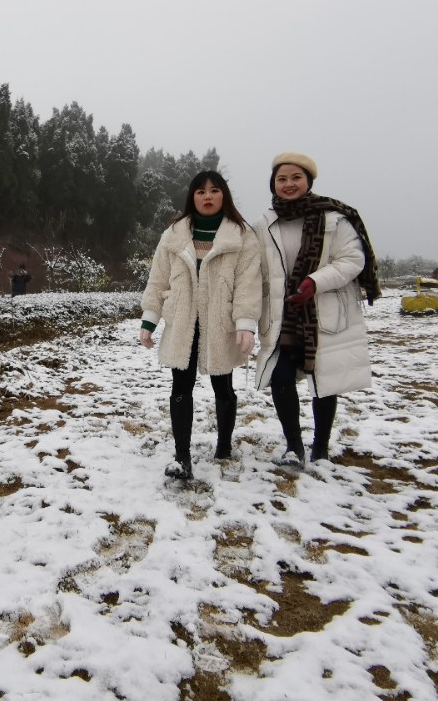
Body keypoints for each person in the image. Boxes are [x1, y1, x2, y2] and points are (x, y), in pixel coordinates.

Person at [255, 152, 381, 466]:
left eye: (295, 177)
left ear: (308, 180)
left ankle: (321, 447)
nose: (288, 184)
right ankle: (293, 445)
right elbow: (253, 267)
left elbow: (353, 260)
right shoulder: (264, 224)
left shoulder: (334, 218)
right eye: (281, 178)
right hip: (283, 314)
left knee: (324, 380)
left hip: (322, 311)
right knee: (280, 376)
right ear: (273, 183)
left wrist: (314, 282)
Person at [139, 170, 262, 480]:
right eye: (201, 191)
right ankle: (182, 456)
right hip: (182, 322)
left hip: (220, 323)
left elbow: (248, 283)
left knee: (224, 385)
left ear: (224, 196)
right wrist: (150, 319)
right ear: (191, 197)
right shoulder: (174, 234)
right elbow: (158, 278)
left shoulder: (241, 235)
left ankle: (224, 445)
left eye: (215, 190)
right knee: (180, 386)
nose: (207, 196)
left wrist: (246, 323)